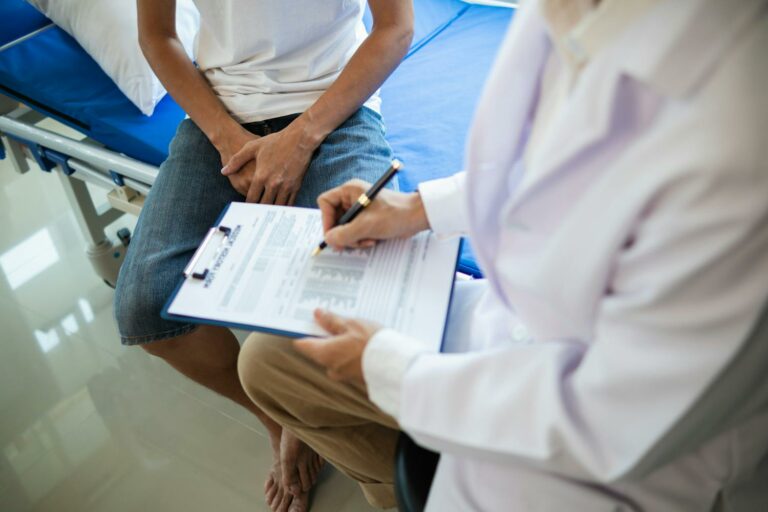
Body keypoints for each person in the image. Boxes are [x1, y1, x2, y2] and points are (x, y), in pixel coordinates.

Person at [237, 0, 768, 509]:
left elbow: (617, 420)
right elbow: (553, 163)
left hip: (613, 456)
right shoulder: (569, 15)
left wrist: (391, 370)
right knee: (267, 363)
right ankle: (393, 485)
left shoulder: (740, 135)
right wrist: (419, 208)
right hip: (516, 322)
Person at [113, 1, 413, 511]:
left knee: (356, 295)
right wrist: (228, 138)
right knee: (144, 304)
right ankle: (275, 415)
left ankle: (301, 412)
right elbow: (157, 36)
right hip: (221, 116)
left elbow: (396, 28)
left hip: (336, 110)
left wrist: (301, 138)